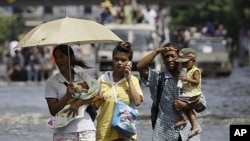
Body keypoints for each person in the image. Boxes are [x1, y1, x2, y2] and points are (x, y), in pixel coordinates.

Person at [136, 43, 206, 141]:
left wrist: (186, 106)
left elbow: (201, 103)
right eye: (166, 56)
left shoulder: (188, 77)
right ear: (163, 60)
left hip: (188, 133)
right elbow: (140, 66)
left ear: (180, 58)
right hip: (164, 132)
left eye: (173, 56)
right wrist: (157, 51)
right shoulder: (157, 79)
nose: (169, 59)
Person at [45, 44, 101, 141]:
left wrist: (79, 102)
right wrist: (67, 95)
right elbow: (53, 111)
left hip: (86, 129)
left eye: (61, 57)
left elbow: (97, 95)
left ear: (71, 57)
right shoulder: (52, 83)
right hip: (63, 132)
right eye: (56, 58)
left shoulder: (83, 76)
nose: (58, 61)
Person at [95, 42, 144, 141]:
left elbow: (137, 102)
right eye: (116, 59)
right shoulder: (102, 79)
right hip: (105, 134)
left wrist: (128, 79)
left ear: (129, 62)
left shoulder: (133, 80)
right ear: (112, 60)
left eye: (123, 60)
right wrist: (95, 98)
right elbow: (94, 106)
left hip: (125, 134)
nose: (119, 63)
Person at [174, 48, 203, 138]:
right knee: (189, 110)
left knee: (176, 103)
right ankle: (195, 127)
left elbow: (197, 81)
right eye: (182, 63)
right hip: (188, 93)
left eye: (186, 63)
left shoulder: (195, 70)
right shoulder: (187, 70)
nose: (184, 65)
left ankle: (183, 119)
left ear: (193, 61)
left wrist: (186, 79)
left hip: (193, 94)